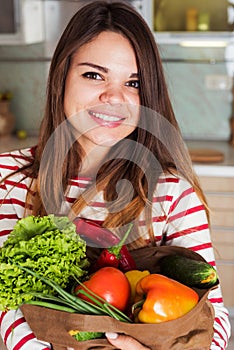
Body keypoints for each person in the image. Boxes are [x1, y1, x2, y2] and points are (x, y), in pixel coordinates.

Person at [0, 1, 231, 349]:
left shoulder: (172, 193)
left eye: (134, 82)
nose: (114, 96)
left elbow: (213, 320)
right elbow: (9, 307)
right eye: (94, 75)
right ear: (61, 76)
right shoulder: (8, 178)